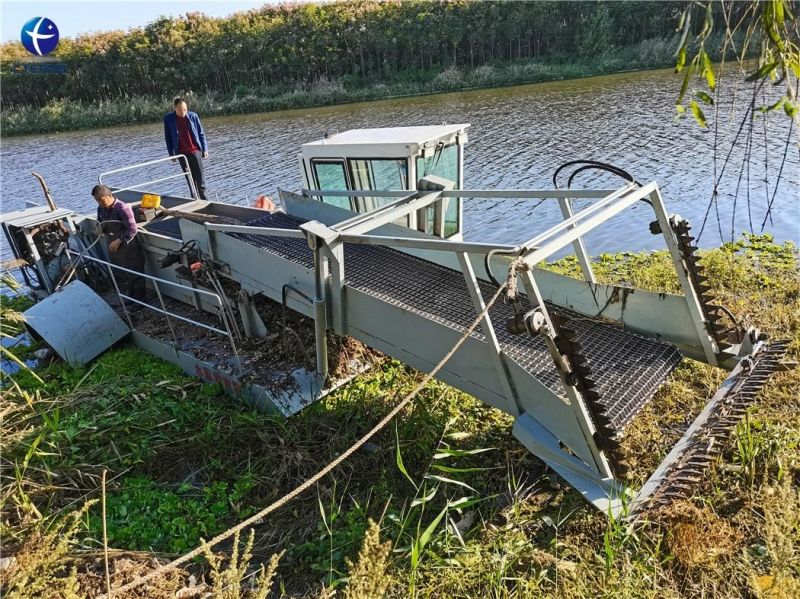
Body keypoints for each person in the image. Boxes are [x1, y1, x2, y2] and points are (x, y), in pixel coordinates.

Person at [92, 184, 146, 302]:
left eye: (101, 200)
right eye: (96, 201)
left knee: (136, 275)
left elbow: (132, 230)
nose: (99, 203)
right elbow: (100, 223)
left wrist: (118, 241)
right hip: (115, 250)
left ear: (109, 195)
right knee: (124, 274)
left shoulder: (122, 208)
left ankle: (141, 301)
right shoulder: (100, 209)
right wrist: (99, 229)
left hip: (129, 248)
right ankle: (131, 298)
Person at [163, 97, 209, 200]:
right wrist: (172, 154)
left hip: (195, 151)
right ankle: (195, 201)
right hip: (182, 155)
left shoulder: (193, 116)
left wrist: (205, 149)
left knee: (200, 181)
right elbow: (168, 138)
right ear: (175, 108)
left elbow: (201, 133)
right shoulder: (169, 119)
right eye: (180, 109)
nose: (183, 112)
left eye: (185, 109)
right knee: (190, 180)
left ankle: (206, 202)